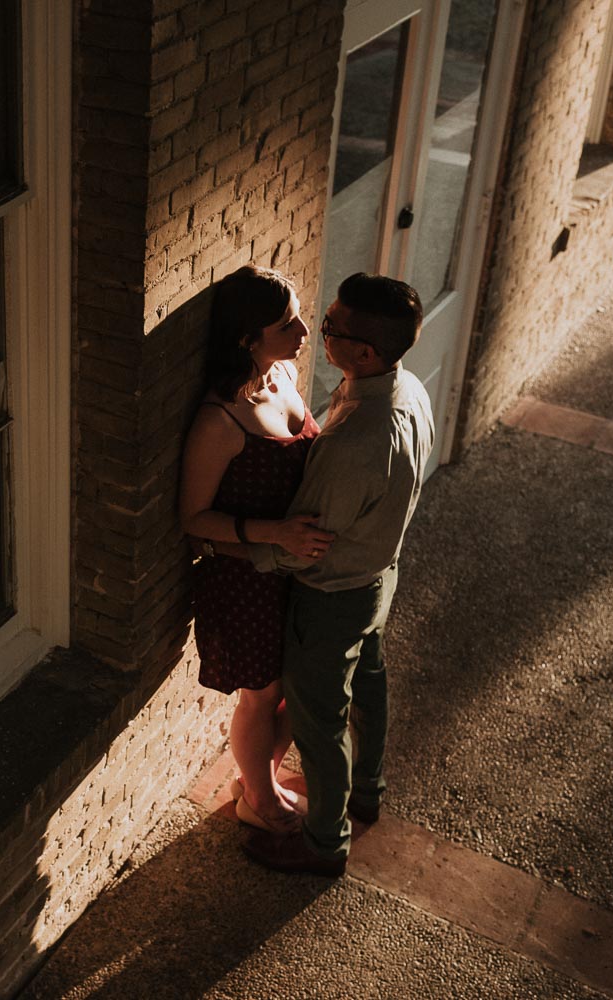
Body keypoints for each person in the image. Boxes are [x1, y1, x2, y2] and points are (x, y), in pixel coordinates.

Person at [242, 272, 435, 877]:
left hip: (331, 596)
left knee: (321, 724)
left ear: (365, 351)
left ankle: (324, 843)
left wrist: (240, 550)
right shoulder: (410, 393)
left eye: (330, 327)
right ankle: (365, 792)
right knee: (368, 688)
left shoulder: (356, 440)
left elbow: (305, 545)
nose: (318, 334)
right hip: (381, 574)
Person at [180, 266, 336, 833]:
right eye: (284, 323)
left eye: (296, 314)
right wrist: (279, 534)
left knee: (299, 683)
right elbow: (193, 518)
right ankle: (260, 800)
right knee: (261, 693)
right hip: (245, 579)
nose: (302, 330)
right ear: (247, 338)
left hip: (293, 568)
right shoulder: (219, 420)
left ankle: (255, 778)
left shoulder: (285, 374)